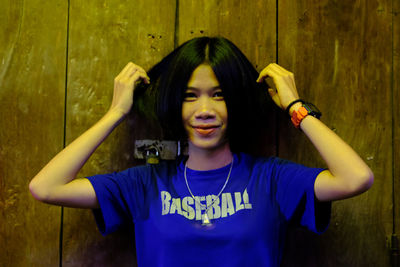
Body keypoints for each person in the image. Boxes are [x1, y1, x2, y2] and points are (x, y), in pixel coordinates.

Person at [29, 37, 374, 266]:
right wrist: (116, 112)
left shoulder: (271, 178)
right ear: (174, 103)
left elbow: (355, 178)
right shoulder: (144, 183)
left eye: (219, 94)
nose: (205, 110)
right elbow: (46, 187)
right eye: (190, 96)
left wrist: (295, 107)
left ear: (236, 101)